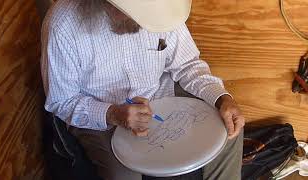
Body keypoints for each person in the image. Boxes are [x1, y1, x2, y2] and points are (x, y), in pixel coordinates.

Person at [41, 0, 245, 179]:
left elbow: (187, 64)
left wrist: (221, 98)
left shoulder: (162, 9)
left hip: (160, 93)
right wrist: (112, 114)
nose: (144, 22)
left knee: (227, 128)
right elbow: (62, 101)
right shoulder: (63, 24)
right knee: (122, 175)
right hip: (100, 116)